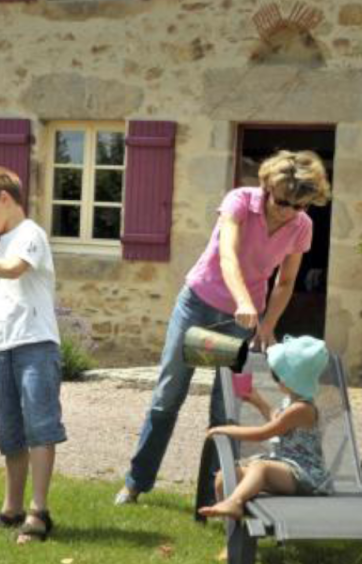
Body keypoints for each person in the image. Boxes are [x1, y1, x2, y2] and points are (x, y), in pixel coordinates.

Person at [116, 150, 331, 506]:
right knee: (169, 393)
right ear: (266, 187)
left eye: (300, 206)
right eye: (282, 202)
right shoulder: (239, 203)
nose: (289, 211)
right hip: (198, 304)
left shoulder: (301, 226)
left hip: (242, 322)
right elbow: (227, 255)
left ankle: (213, 496)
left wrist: (267, 323)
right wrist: (244, 300)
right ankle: (136, 482)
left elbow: (286, 280)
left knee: (226, 406)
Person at [0, 167, 66, 543]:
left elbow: (13, 270)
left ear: (4, 198)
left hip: (36, 345)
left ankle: (38, 512)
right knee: (10, 433)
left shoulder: (30, 234)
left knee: (40, 427)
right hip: (3, 345)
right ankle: (12, 508)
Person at [198, 334, 330, 520]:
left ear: (287, 380)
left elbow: (262, 434)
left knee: (261, 467)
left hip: (305, 475)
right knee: (224, 476)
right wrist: (258, 402)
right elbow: (276, 420)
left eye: (276, 375)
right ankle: (232, 534)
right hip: (284, 467)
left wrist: (223, 429)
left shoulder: (302, 409)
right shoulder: (292, 402)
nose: (273, 378)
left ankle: (235, 503)